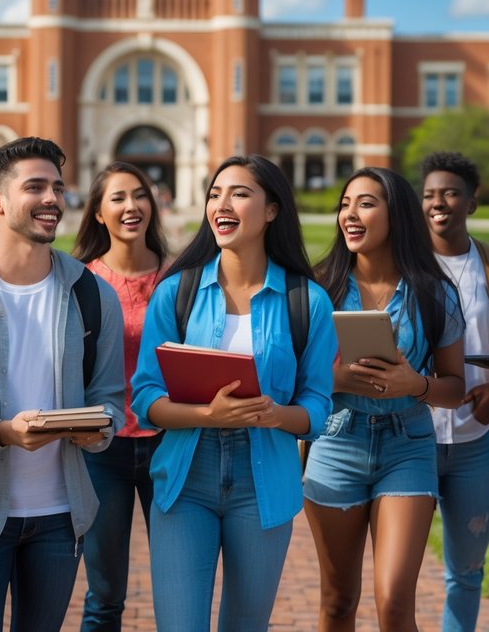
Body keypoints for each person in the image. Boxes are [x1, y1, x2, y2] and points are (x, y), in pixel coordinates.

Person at [0, 137, 125, 632]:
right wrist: (5, 432)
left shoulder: (94, 296)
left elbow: (110, 400)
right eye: (35, 187)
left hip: (60, 519)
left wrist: (99, 430)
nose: (53, 199)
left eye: (57, 186)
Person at [132, 154, 336, 632]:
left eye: (239, 193)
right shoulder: (176, 293)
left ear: (271, 210)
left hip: (264, 483)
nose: (222, 204)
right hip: (187, 480)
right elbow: (146, 398)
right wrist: (209, 414)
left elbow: (318, 409)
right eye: (215, 194)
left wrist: (275, 415)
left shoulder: (307, 301)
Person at [302, 166, 465, 632]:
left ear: (397, 216)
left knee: (394, 602)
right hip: (336, 442)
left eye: (366, 204)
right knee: (337, 602)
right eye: (345, 204)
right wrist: (336, 380)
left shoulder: (435, 293)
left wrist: (415, 385)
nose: (349, 215)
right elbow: (294, 382)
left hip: (407, 444)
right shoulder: (319, 290)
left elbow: (456, 388)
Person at [71, 161, 169, 631]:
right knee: (104, 594)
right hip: (101, 450)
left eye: (140, 194)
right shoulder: (79, 283)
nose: (132, 206)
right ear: (98, 214)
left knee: (178, 587)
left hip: (171, 447)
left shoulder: (180, 280)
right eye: (118, 198)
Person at [421, 152, 489, 632]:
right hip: (411, 439)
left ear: (472, 202)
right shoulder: (404, 267)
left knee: (467, 572)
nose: (439, 203)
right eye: (430, 195)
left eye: (451, 193)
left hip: (474, 442)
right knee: (398, 570)